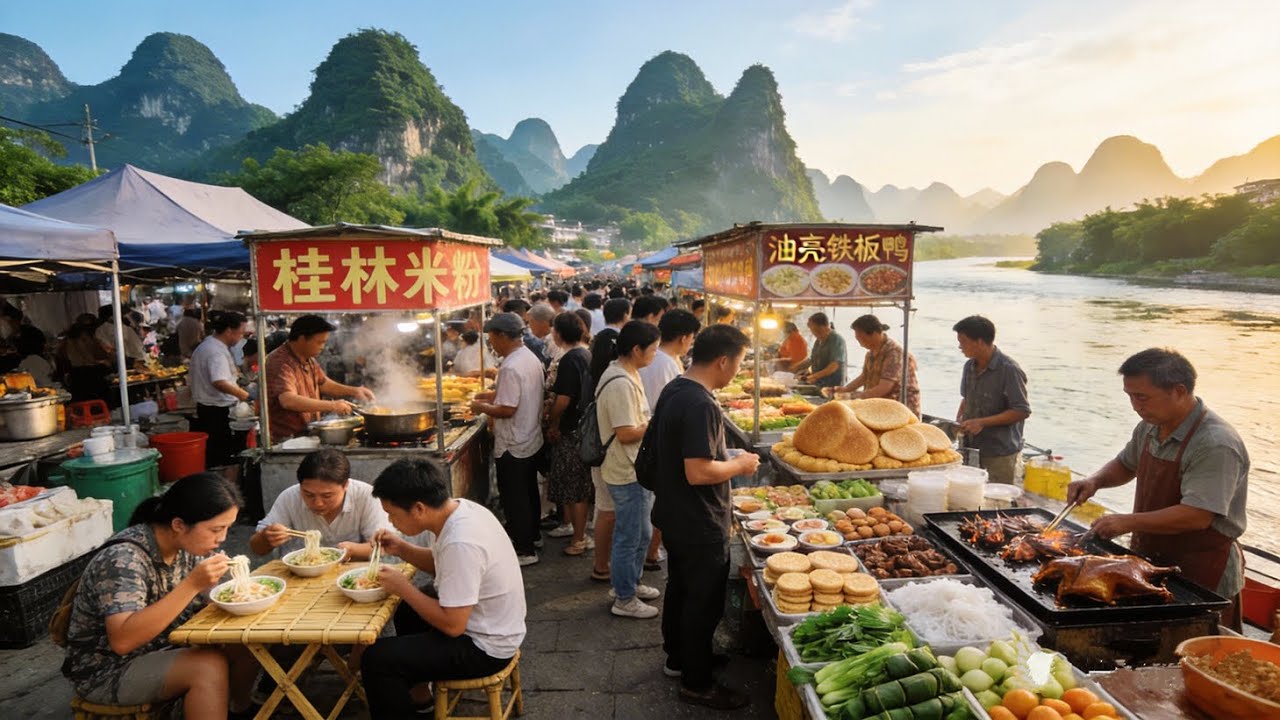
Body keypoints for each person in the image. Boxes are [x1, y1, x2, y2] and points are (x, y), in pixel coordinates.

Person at [1067, 348, 1249, 629]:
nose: (1135, 405)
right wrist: (1095, 481)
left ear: (1178, 391)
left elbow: (1197, 515)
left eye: (1142, 397)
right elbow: (1126, 464)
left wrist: (1127, 522)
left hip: (1201, 568)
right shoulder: (1150, 426)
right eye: (1129, 396)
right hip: (1152, 556)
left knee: (1196, 651)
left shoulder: (1215, 443)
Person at [62, 473, 257, 718]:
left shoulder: (190, 547)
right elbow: (123, 641)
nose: (223, 538)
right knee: (207, 667)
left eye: (228, 528)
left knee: (245, 641)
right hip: (108, 670)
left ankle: (240, 710)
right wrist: (192, 585)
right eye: (216, 529)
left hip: (167, 647)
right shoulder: (124, 559)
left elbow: (211, 599)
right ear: (178, 525)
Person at [361, 458, 526, 719]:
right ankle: (421, 698)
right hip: (489, 624)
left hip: (485, 647)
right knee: (407, 611)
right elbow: (444, 567)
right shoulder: (459, 511)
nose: (391, 522)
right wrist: (402, 548)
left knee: (377, 660)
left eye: (392, 514)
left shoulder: (461, 540)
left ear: (418, 508)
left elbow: (452, 626)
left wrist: (403, 587)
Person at [649, 325, 760, 709]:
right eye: (740, 363)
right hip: (699, 519)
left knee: (681, 590)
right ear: (723, 360)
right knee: (702, 601)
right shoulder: (701, 404)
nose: (738, 371)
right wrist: (741, 464)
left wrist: (724, 457)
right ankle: (697, 683)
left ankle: (680, 658)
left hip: (675, 512)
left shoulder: (676, 389)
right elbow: (698, 471)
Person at [596, 321, 662, 618]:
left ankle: (629, 583)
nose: (655, 354)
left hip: (635, 468)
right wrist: (655, 424)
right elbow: (625, 432)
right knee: (630, 536)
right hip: (626, 471)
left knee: (642, 533)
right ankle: (623, 598)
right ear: (636, 349)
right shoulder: (620, 382)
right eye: (653, 349)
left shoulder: (627, 372)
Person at [470, 313, 545, 566]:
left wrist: (479, 407)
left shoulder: (512, 366)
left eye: (492, 339)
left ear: (502, 336)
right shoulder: (528, 358)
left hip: (514, 442)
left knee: (515, 497)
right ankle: (533, 537)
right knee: (529, 492)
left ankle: (524, 550)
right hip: (530, 436)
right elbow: (513, 396)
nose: (492, 344)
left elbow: (507, 409)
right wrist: (488, 396)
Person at [250, 449, 392, 561]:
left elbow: (382, 547)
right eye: (309, 495)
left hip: (352, 574)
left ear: (345, 485)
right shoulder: (290, 497)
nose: (318, 503)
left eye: (327, 496)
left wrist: (352, 551)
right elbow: (256, 548)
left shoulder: (366, 496)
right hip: (300, 575)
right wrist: (266, 538)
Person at [264, 315, 375, 444]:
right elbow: (288, 400)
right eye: (319, 342)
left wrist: (355, 391)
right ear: (302, 339)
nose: (322, 347)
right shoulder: (280, 362)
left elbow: (323, 384)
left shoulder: (308, 358)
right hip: (287, 440)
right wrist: (332, 406)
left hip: (306, 434)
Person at [953, 315, 1030, 484]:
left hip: (999, 450)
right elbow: (966, 397)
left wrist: (981, 422)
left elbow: (1021, 410)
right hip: (972, 446)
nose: (960, 346)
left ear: (979, 342)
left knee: (998, 499)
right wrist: (959, 419)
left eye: (963, 342)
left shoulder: (1009, 370)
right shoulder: (969, 366)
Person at [543, 312, 594, 556]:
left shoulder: (570, 359)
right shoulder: (585, 353)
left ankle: (580, 538)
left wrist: (552, 422)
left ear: (559, 334)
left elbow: (564, 400)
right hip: (581, 428)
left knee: (575, 488)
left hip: (572, 430)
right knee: (577, 486)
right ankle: (577, 532)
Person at [188, 311, 251, 481]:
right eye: (241, 333)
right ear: (229, 331)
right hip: (217, 411)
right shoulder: (215, 351)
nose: (241, 337)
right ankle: (227, 493)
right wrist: (246, 395)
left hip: (209, 409)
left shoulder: (211, 346)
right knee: (226, 458)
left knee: (217, 456)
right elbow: (220, 382)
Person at [826, 314, 921, 416]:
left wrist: (852, 397)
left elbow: (884, 387)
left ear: (874, 334)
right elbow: (864, 377)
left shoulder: (894, 354)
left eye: (861, 339)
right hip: (879, 405)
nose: (860, 344)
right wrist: (845, 390)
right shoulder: (871, 353)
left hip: (900, 408)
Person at [794, 312, 846, 389]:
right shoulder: (818, 340)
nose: (814, 333)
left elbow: (833, 366)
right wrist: (796, 367)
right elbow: (812, 359)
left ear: (824, 326)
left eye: (816, 330)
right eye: (812, 331)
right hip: (818, 384)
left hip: (832, 386)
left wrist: (813, 376)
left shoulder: (836, 340)